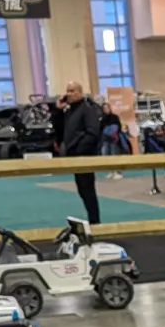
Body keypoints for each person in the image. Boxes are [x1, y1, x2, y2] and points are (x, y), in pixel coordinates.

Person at [56, 81, 103, 223]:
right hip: (74, 157)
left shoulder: (87, 109)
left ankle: (95, 222)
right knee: (82, 190)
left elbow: (93, 132)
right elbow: (59, 129)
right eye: (67, 91)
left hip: (83, 156)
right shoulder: (69, 111)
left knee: (88, 190)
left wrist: (80, 149)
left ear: (80, 92)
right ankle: (92, 220)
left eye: (72, 91)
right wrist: (58, 110)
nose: (69, 94)